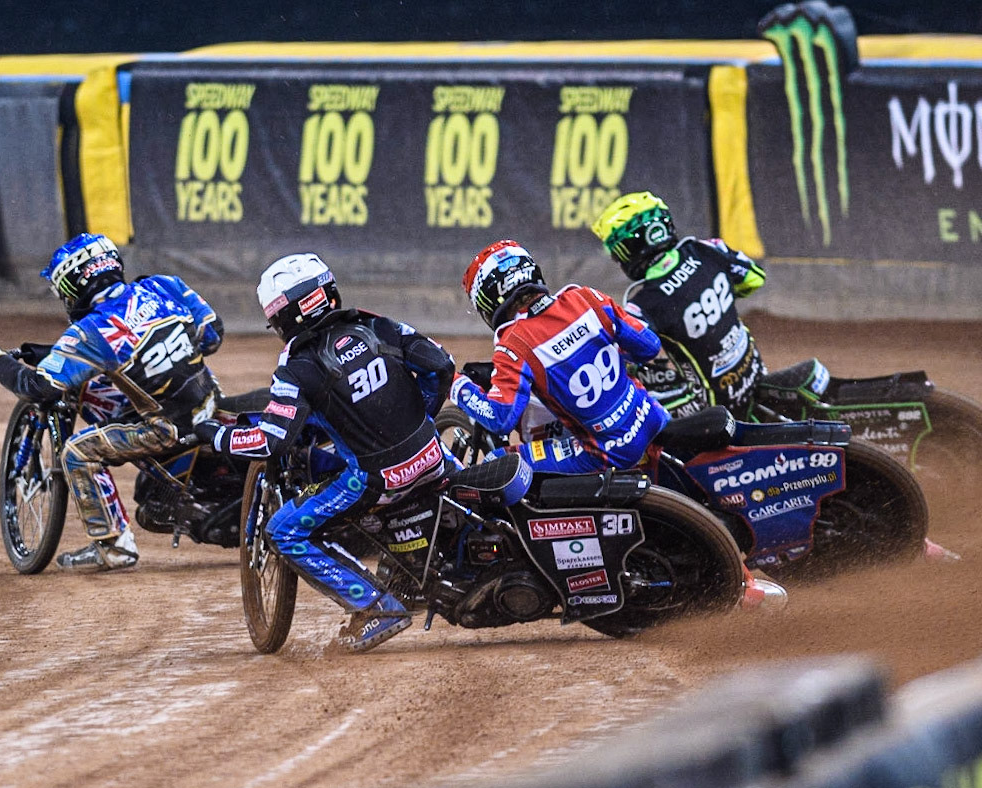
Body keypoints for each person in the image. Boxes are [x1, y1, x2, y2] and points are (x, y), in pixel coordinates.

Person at [194, 253, 458, 653]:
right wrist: (417, 416)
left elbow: (271, 442)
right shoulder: (379, 324)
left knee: (283, 530)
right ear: (328, 293)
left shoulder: (296, 367)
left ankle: (376, 606)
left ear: (284, 319)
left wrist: (215, 437)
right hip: (435, 455)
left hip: (376, 481)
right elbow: (441, 365)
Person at [0, 233, 225, 571]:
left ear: (76, 286)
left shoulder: (92, 330)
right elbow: (212, 335)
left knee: (77, 452)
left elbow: (38, 387)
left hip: (166, 429)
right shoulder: (162, 286)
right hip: (209, 402)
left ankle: (114, 547)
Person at [450, 239, 669, 474]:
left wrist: (454, 383)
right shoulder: (585, 297)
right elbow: (649, 347)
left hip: (609, 453)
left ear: (489, 301)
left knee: (496, 462)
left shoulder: (513, 342)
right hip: (652, 416)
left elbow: (500, 418)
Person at [590, 191, 767, 420]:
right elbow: (754, 279)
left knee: (631, 413)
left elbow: (627, 358)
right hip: (754, 372)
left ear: (629, 248)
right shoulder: (706, 249)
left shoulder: (643, 304)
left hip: (712, 405)